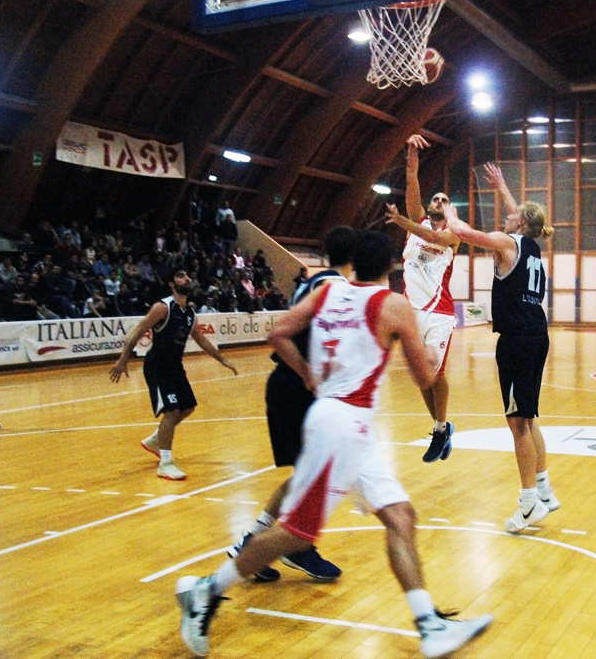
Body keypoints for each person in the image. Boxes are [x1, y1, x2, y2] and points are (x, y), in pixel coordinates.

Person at [175, 231, 493, 659]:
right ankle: (205, 592)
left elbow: (279, 332)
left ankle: (429, 625)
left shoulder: (328, 292)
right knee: (294, 534)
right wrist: (431, 357)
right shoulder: (392, 304)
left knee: (401, 516)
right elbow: (425, 379)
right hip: (341, 427)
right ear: (390, 268)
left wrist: (308, 372)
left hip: (347, 425)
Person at [227, 226, 358, 584]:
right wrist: (308, 374)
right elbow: (290, 336)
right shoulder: (331, 288)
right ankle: (293, 546)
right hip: (294, 386)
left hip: (290, 386)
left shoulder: (317, 281)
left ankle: (254, 542)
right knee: (314, 474)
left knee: (306, 474)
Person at [443, 162, 559, 533]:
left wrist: (447, 210)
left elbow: (463, 233)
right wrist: (503, 187)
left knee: (517, 423)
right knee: (527, 417)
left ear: (520, 222)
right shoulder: (533, 248)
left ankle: (528, 504)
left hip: (517, 340)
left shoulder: (508, 242)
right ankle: (543, 490)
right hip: (536, 333)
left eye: (512, 214)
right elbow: (524, 218)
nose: (507, 216)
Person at [109, 268, 238, 480]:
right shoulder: (163, 307)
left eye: (187, 275)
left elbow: (201, 339)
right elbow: (139, 329)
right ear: (171, 283)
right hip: (158, 365)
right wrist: (123, 358)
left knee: (187, 407)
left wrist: (222, 359)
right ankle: (165, 463)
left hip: (175, 366)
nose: (187, 278)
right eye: (181, 275)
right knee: (171, 411)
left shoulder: (189, 314)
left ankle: (156, 440)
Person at [385, 133, 461, 463]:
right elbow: (412, 181)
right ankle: (440, 426)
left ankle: (442, 427)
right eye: (436, 199)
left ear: (451, 210)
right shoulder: (417, 221)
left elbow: (431, 237)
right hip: (411, 312)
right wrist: (410, 156)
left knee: (434, 371)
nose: (439, 202)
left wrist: (401, 221)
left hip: (439, 313)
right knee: (421, 375)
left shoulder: (452, 235)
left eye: (445, 200)